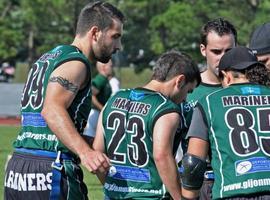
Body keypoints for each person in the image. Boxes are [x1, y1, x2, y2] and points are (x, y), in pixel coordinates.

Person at [4, 1, 125, 199]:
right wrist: (86, 152)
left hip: (19, 167)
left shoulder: (48, 57)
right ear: (95, 33)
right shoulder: (76, 63)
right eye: (115, 36)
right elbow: (51, 111)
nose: (119, 46)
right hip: (51, 169)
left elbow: (44, 126)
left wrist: (91, 143)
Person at [93, 50, 201, 199]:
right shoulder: (166, 109)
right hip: (151, 195)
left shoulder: (113, 100)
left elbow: (98, 152)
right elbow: (161, 156)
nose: (185, 98)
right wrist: (178, 197)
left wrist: (111, 186)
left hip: (114, 194)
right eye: (188, 91)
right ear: (179, 81)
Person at [181, 46, 270, 199]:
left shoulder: (208, 102)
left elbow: (193, 161)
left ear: (226, 76)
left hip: (230, 191)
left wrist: (188, 196)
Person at [179, 18, 238, 200]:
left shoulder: (246, 90)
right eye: (216, 51)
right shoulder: (185, 88)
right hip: (194, 183)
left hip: (234, 182)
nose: (223, 57)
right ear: (203, 50)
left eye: (229, 51)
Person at [84, 60, 113, 145]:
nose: (112, 68)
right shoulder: (101, 79)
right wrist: (102, 108)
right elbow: (92, 94)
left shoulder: (104, 79)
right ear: (104, 68)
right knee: (92, 138)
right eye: (110, 66)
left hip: (96, 113)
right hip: (95, 113)